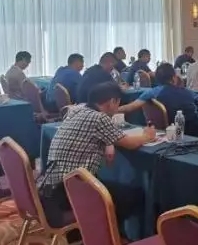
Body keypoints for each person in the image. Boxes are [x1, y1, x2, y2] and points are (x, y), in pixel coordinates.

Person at [38, 82, 156, 228]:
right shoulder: (100, 118)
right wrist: (147, 136)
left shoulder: (77, 110)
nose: (118, 108)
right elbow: (130, 143)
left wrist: (109, 143)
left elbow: (96, 133)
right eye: (118, 103)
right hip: (68, 192)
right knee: (135, 196)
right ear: (112, 102)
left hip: (50, 188)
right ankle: (107, 234)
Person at [120, 63, 198, 138]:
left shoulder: (152, 92)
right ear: (174, 77)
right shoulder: (186, 91)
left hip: (167, 131)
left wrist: (113, 110)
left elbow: (131, 107)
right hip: (194, 131)